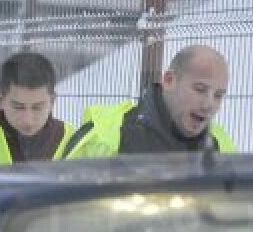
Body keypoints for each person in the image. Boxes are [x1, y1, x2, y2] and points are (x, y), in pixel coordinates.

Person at [62, 44, 234, 158]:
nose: (209, 104)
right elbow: (66, 198)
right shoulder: (106, 137)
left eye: (218, 95)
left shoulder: (220, 145)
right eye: (200, 89)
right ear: (169, 80)